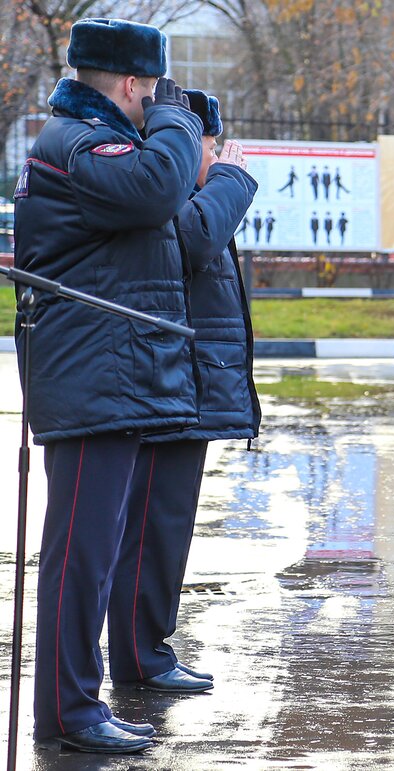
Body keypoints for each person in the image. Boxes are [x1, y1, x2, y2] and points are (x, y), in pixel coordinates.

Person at [14, 17, 202, 753]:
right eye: (151, 91)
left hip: (108, 374)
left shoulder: (85, 142)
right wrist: (178, 122)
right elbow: (159, 188)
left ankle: (78, 700)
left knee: (91, 551)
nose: (156, 102)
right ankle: (68, 710)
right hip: (94, 376)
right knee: (80, 555)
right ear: (130, 84)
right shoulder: (82, 144)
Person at [108, 88, 258, 698]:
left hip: (185, 385)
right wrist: (232, 182)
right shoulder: (172, 194)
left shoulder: (186, 192)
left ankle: (145, 648)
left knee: (163, 527)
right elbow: (192, 243)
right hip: (165, 386)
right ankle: (140, 655)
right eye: (211, 146)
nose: (219, 156)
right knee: (152, 526)